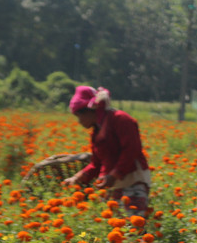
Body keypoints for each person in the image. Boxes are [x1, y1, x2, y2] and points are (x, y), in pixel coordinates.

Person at [63, 86, 152, 217]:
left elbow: (131, 151)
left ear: (89, 111)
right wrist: (76, 178)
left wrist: (114, 175)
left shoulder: (120, 119)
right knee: (116, 226)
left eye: (79, 116)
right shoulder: (97, 131)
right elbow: (97, 163)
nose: (79, 121)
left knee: (133, 226)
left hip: (132, 179)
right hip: (113, 183)